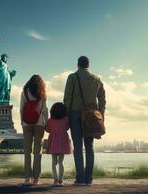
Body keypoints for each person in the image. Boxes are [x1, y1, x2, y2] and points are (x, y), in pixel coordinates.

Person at [63, 56, 106, 185]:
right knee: (89, 147)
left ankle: (80, 178)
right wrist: (100, 117)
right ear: (88, 65)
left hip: (75, 115)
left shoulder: (72, 77)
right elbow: (102, 100)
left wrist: (66, 115)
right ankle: (89, 178)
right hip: (91, 117)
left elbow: (67, 98)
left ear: (78, 65)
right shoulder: (97, 79)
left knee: (77, 147)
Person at [20, 74, 48, 185]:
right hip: (39, 124)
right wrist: (46, 122)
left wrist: (22, 122)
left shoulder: (24, 93)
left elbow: (22, 108)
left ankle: (27, 178)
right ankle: (36, 179)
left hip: (26, 124)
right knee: (37, 152)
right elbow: (45, 110)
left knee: (27, 152)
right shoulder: (43, 94)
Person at [45, 102, 71, 186]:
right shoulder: (66, 119)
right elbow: (67, 128)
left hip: (53, 142)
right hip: (63, 141)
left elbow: (47, 130)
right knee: (61, 162)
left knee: (53, 162)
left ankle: (55, 180)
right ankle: (61, 180)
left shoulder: (50, 120)